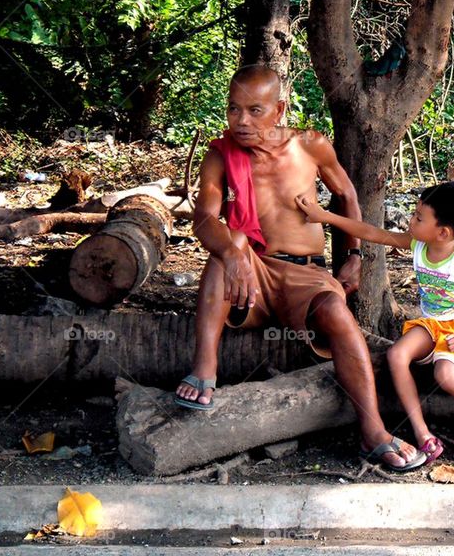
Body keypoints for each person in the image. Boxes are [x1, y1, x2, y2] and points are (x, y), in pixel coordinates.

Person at [173, 64, 426, 472]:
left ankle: (373, 430)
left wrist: (354, 256)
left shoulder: (311, 145)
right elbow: (205, 218)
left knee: (338, 316)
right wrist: (235, 255)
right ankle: (205, 367)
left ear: (280, 109)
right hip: (250, 272)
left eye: (255, 110)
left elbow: (346, 195)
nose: (241, 121)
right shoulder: (220, 155)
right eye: (233, 110)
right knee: (231, 242)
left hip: (306, 274)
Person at [296, 181, 454, 462]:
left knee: (444, 375)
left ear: (443, 232)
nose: (411, 221)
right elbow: (371, 233)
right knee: (397, 354)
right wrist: (324, 216)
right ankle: (422, 432)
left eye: (418, 218)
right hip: (431, 324)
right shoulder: (418, 244)